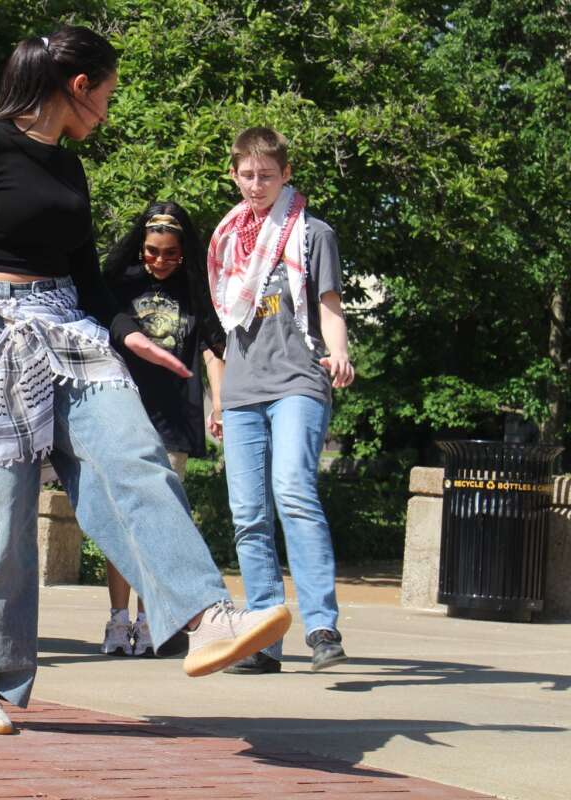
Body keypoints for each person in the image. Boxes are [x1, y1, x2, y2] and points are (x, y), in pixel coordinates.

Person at [0, 26, 291, 736]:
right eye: (108, 96)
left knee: (134, 455)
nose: (109, 113)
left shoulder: (69, 170)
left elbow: (87, 279)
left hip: (67, 332)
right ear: (79, 87)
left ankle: (204, 615)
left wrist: (130, 336)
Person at [206, 127, 354, 674]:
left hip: (298, 379)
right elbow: (220, 335)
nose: (256, 184)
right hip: (243, 389)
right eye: (247, 175)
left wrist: (339, 354)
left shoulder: (313, 234)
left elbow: (330, 303)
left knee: (292, 489)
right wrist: (218, 400)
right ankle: (264, 635)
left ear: (285, 174)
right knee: (247, 513)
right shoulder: (225, 241)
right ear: (235, 174)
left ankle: (321, 625)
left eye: (267, 175)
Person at [99, 201, 226, 657]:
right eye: (153, 252)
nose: (160, 261)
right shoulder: (117, 282)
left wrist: (221, 404)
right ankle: (117, 620)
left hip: (173, 418)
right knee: (121, 522)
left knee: (160, 521)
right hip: (120, 414)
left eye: (171, 253)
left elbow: (214, 348)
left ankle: (153, 617)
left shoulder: (194, 288)